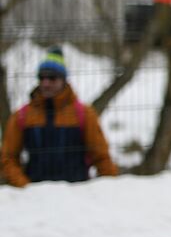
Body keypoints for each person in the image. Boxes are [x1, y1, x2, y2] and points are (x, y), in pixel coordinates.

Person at [2, 47, 119, 187]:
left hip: (77, 195)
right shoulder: (22, 116)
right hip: (35, 197)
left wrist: (111, 190)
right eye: (42, 77)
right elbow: (8, 158)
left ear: (63, 80)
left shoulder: (84, 114)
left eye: (52, 78)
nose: (46, 83)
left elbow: (101, 157)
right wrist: (25, 187)